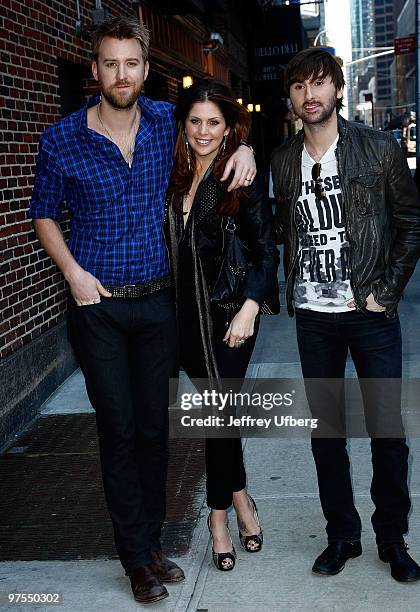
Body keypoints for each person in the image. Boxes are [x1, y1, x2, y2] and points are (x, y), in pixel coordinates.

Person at [28, 16, 256, 605]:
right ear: (96, 70)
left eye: (132, 63)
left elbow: (217, 131)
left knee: (156, 430)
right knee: (119, 428)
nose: (121, 74)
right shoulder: (62, 139)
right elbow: (44, 213)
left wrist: (248, 147)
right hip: (97, 308)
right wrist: (73, 274)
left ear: (145, 70)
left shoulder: (163, 123)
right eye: (110, 63)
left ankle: (152, 545)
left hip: (159, 306)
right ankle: (134, 557)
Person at [271, 48, 420, 582]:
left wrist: (388, 290)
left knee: (385, 428)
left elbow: (411, 222)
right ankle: (343, 536)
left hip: (370, 313)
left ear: (336, 88)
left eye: (319, 84)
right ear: (289, 97)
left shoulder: (378, 150)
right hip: (314, 316)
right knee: (327, 431)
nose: (309, 95)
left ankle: (392, 539)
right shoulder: (284, 160)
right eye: (298, 86)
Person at [165, 80, 279, 571]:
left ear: (229, 127)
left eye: (215, 122)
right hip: (182, 322)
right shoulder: (172, 175)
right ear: (183, 125)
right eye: (195, 121)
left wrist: (251, 307)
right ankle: (240, 499)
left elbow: (265, 252)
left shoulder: (240, 176)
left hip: (230, 318)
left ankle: (216, 521)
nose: (203, 131)